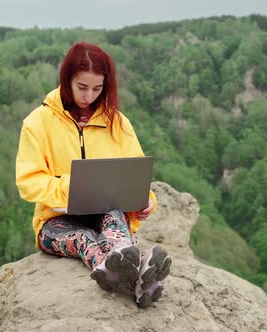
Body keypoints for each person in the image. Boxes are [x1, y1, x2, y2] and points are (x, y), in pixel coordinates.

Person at [15, 42, 171, 308]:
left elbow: (134, 172)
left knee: (114, 225)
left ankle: (125, 267)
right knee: (84, 239)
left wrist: (146, 200)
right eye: (82, 87)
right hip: (55, 221)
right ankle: (141, 274)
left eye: (97, 89)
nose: (89, 96)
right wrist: (74, 187)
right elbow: (28, 182)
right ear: (67, 81)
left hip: (107, 212)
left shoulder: (118, 122)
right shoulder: (37, 123)